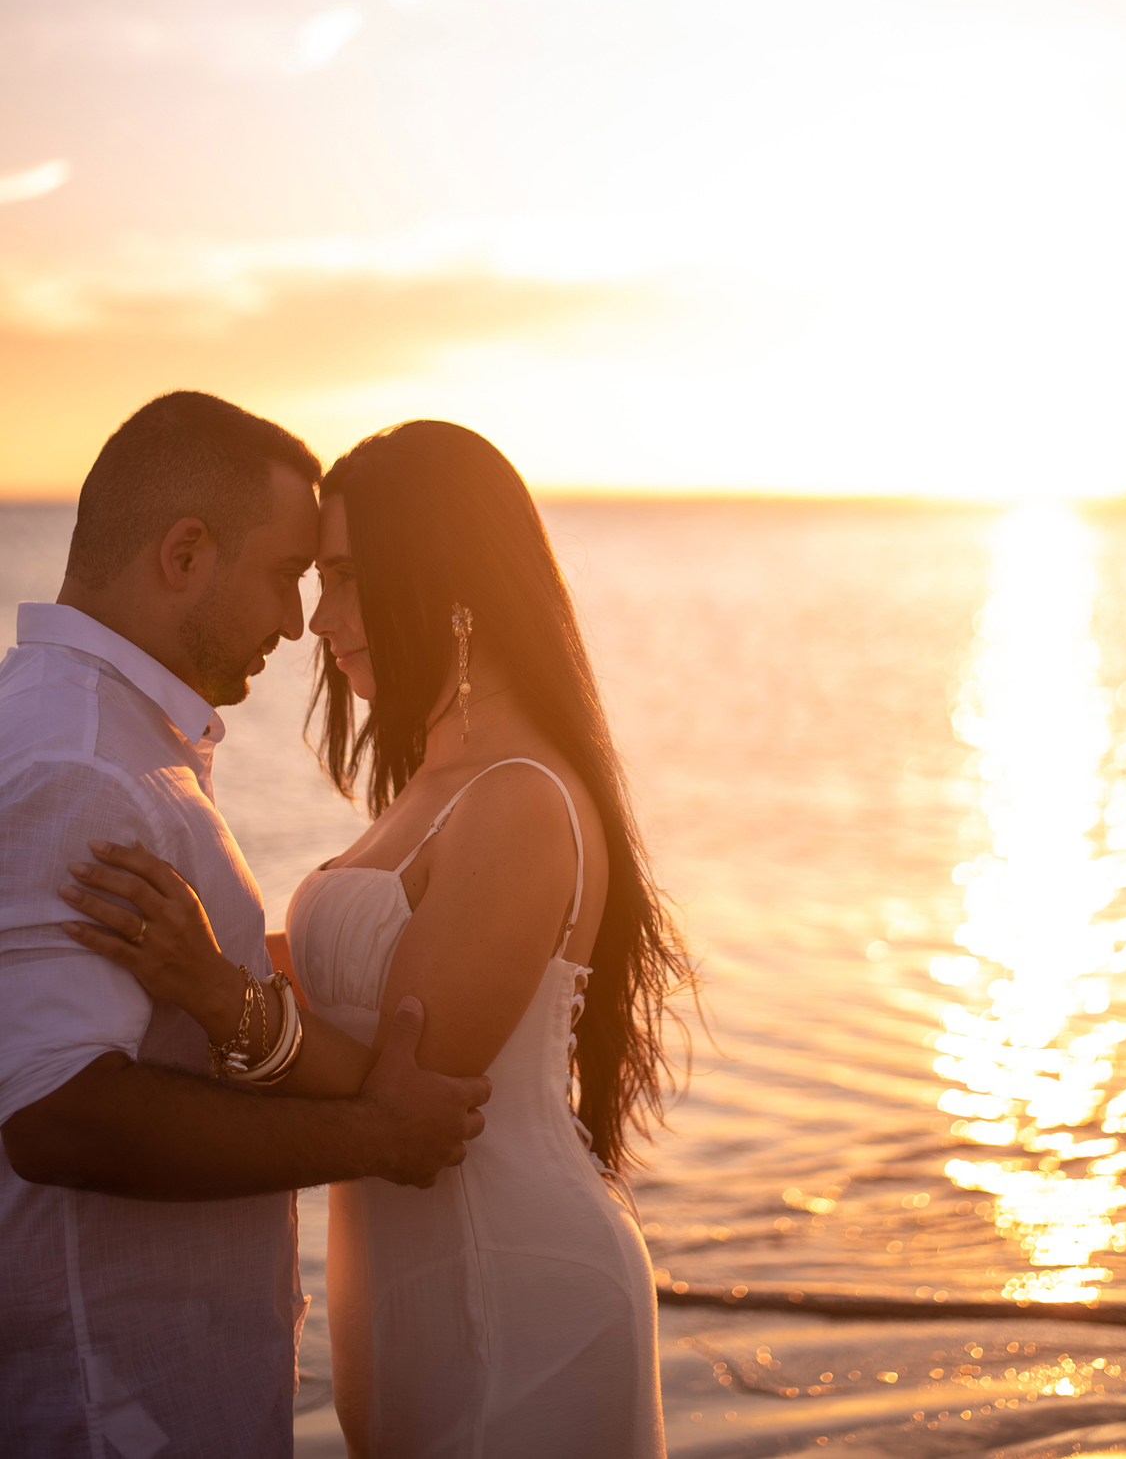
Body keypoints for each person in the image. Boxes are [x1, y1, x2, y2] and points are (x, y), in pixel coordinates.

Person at [75, 419, 693, 1458]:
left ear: (446, 584)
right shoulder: (432, 788)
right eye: (317, 577)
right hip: (410, 1289)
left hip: (516, 1287)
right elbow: (344, 986)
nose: (319, 618)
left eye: (349, 578)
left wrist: (209, 986)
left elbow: (399, 1090)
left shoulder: (521, 800)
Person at [0, 394, 489, 1459]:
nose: (294, 619)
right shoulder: (80, 764)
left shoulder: (104, 740)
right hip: (112, 1408)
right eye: (284, 574)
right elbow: (57, 1115)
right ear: (185, 554)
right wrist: (373, 1137)